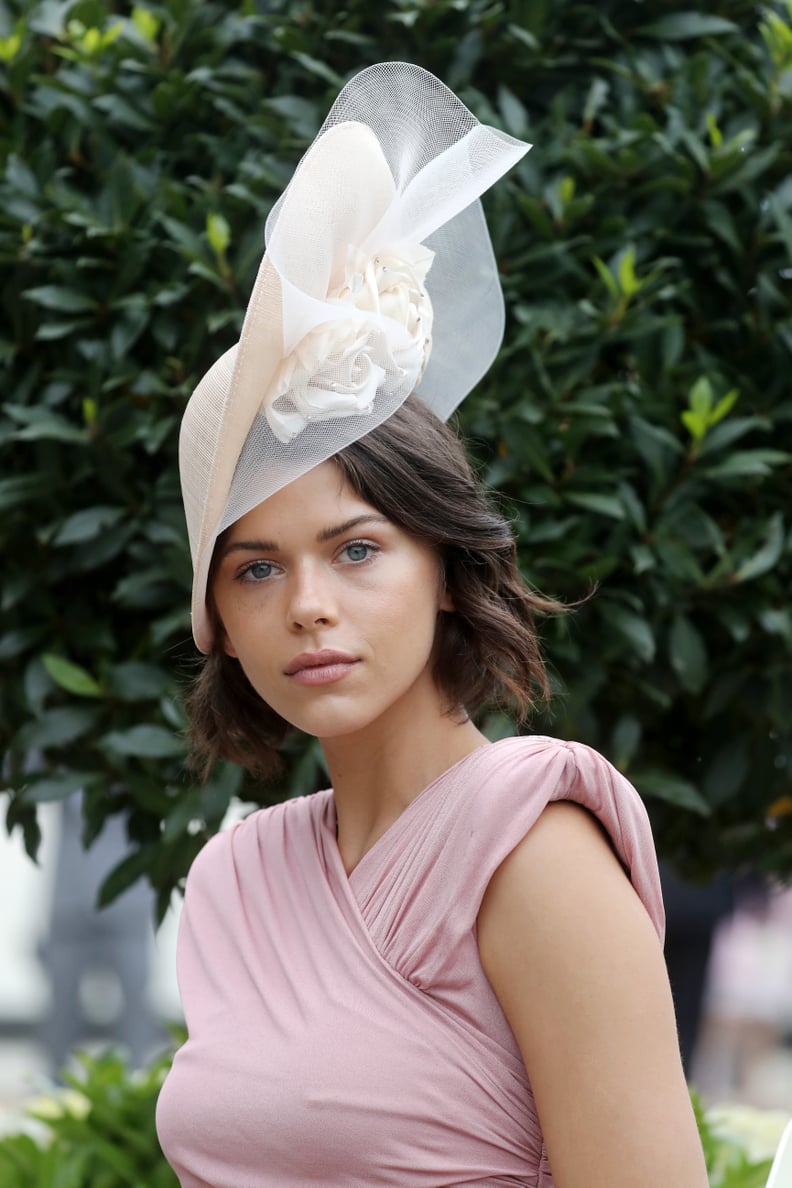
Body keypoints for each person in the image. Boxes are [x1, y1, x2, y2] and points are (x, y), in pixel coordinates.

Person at [156, 62, 708, 1187]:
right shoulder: (233, 878)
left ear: (446, 568)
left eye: (357, 550)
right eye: (256, 568)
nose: (307, 601)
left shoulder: (535, 850)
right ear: (214, 612)